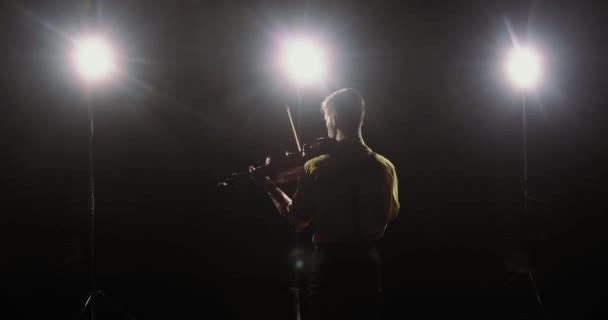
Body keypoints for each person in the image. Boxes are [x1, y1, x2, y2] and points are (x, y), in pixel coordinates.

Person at [263, 88, 399, 320]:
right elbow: (391, 214)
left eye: (327, 119)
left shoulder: (316, 167)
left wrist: (271, 187)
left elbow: (297, 219)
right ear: (360, 118)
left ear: (334, 119)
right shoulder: (384, 167)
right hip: (367, 264)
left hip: (330, 267)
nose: (327, 126)